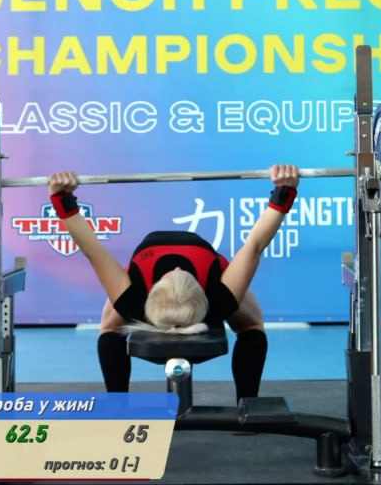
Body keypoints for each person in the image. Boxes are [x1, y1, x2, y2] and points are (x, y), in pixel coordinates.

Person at [47, 165, 299, 403]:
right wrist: (284, 191)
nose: (177, 268)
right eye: (180, 274)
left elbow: (92, 250)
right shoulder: (220, 299)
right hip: (212, 286)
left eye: (173, 275)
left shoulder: (132, 299)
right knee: (252, 325)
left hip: (143, 294)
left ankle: (247, 403)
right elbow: (254, 246)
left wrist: (62, 199)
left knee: (110, 327)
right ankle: (118, 404)